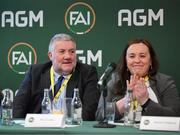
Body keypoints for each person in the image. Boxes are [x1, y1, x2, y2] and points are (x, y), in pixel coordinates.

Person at [13, 33, 100, 121]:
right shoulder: (36, 72)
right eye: (62, 51)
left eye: (72, 51)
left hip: (71, 129)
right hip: (40, 127)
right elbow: (18, 105)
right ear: (50, 55)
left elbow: (89, 111)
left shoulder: (87, 73)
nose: (68, 56)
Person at [96, 38, 180, 121]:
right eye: (132, 56)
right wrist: (127, 100)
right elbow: (100, 116)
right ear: (126, 61)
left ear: (150, 61)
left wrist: (145, 101)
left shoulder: (164, 82)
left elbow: (175, 115)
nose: (137, 60)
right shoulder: (115, 81)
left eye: (142, 56)